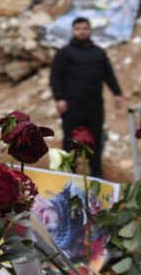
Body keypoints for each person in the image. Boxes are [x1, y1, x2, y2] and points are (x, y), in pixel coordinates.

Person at [50, 17, 123, 178]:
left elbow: (108, 74)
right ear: (73, 31)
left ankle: (96, 174)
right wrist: (59, 98)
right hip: (72, 105)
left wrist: (117, 93)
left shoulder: (98, 52)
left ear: (89, 31)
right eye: (78, 29)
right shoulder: (64, 53)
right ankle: (69, 174)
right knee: (71, 139)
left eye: (85, 28)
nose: (82, 32)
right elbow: (55, 78)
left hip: (94, 105)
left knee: (96, 138)